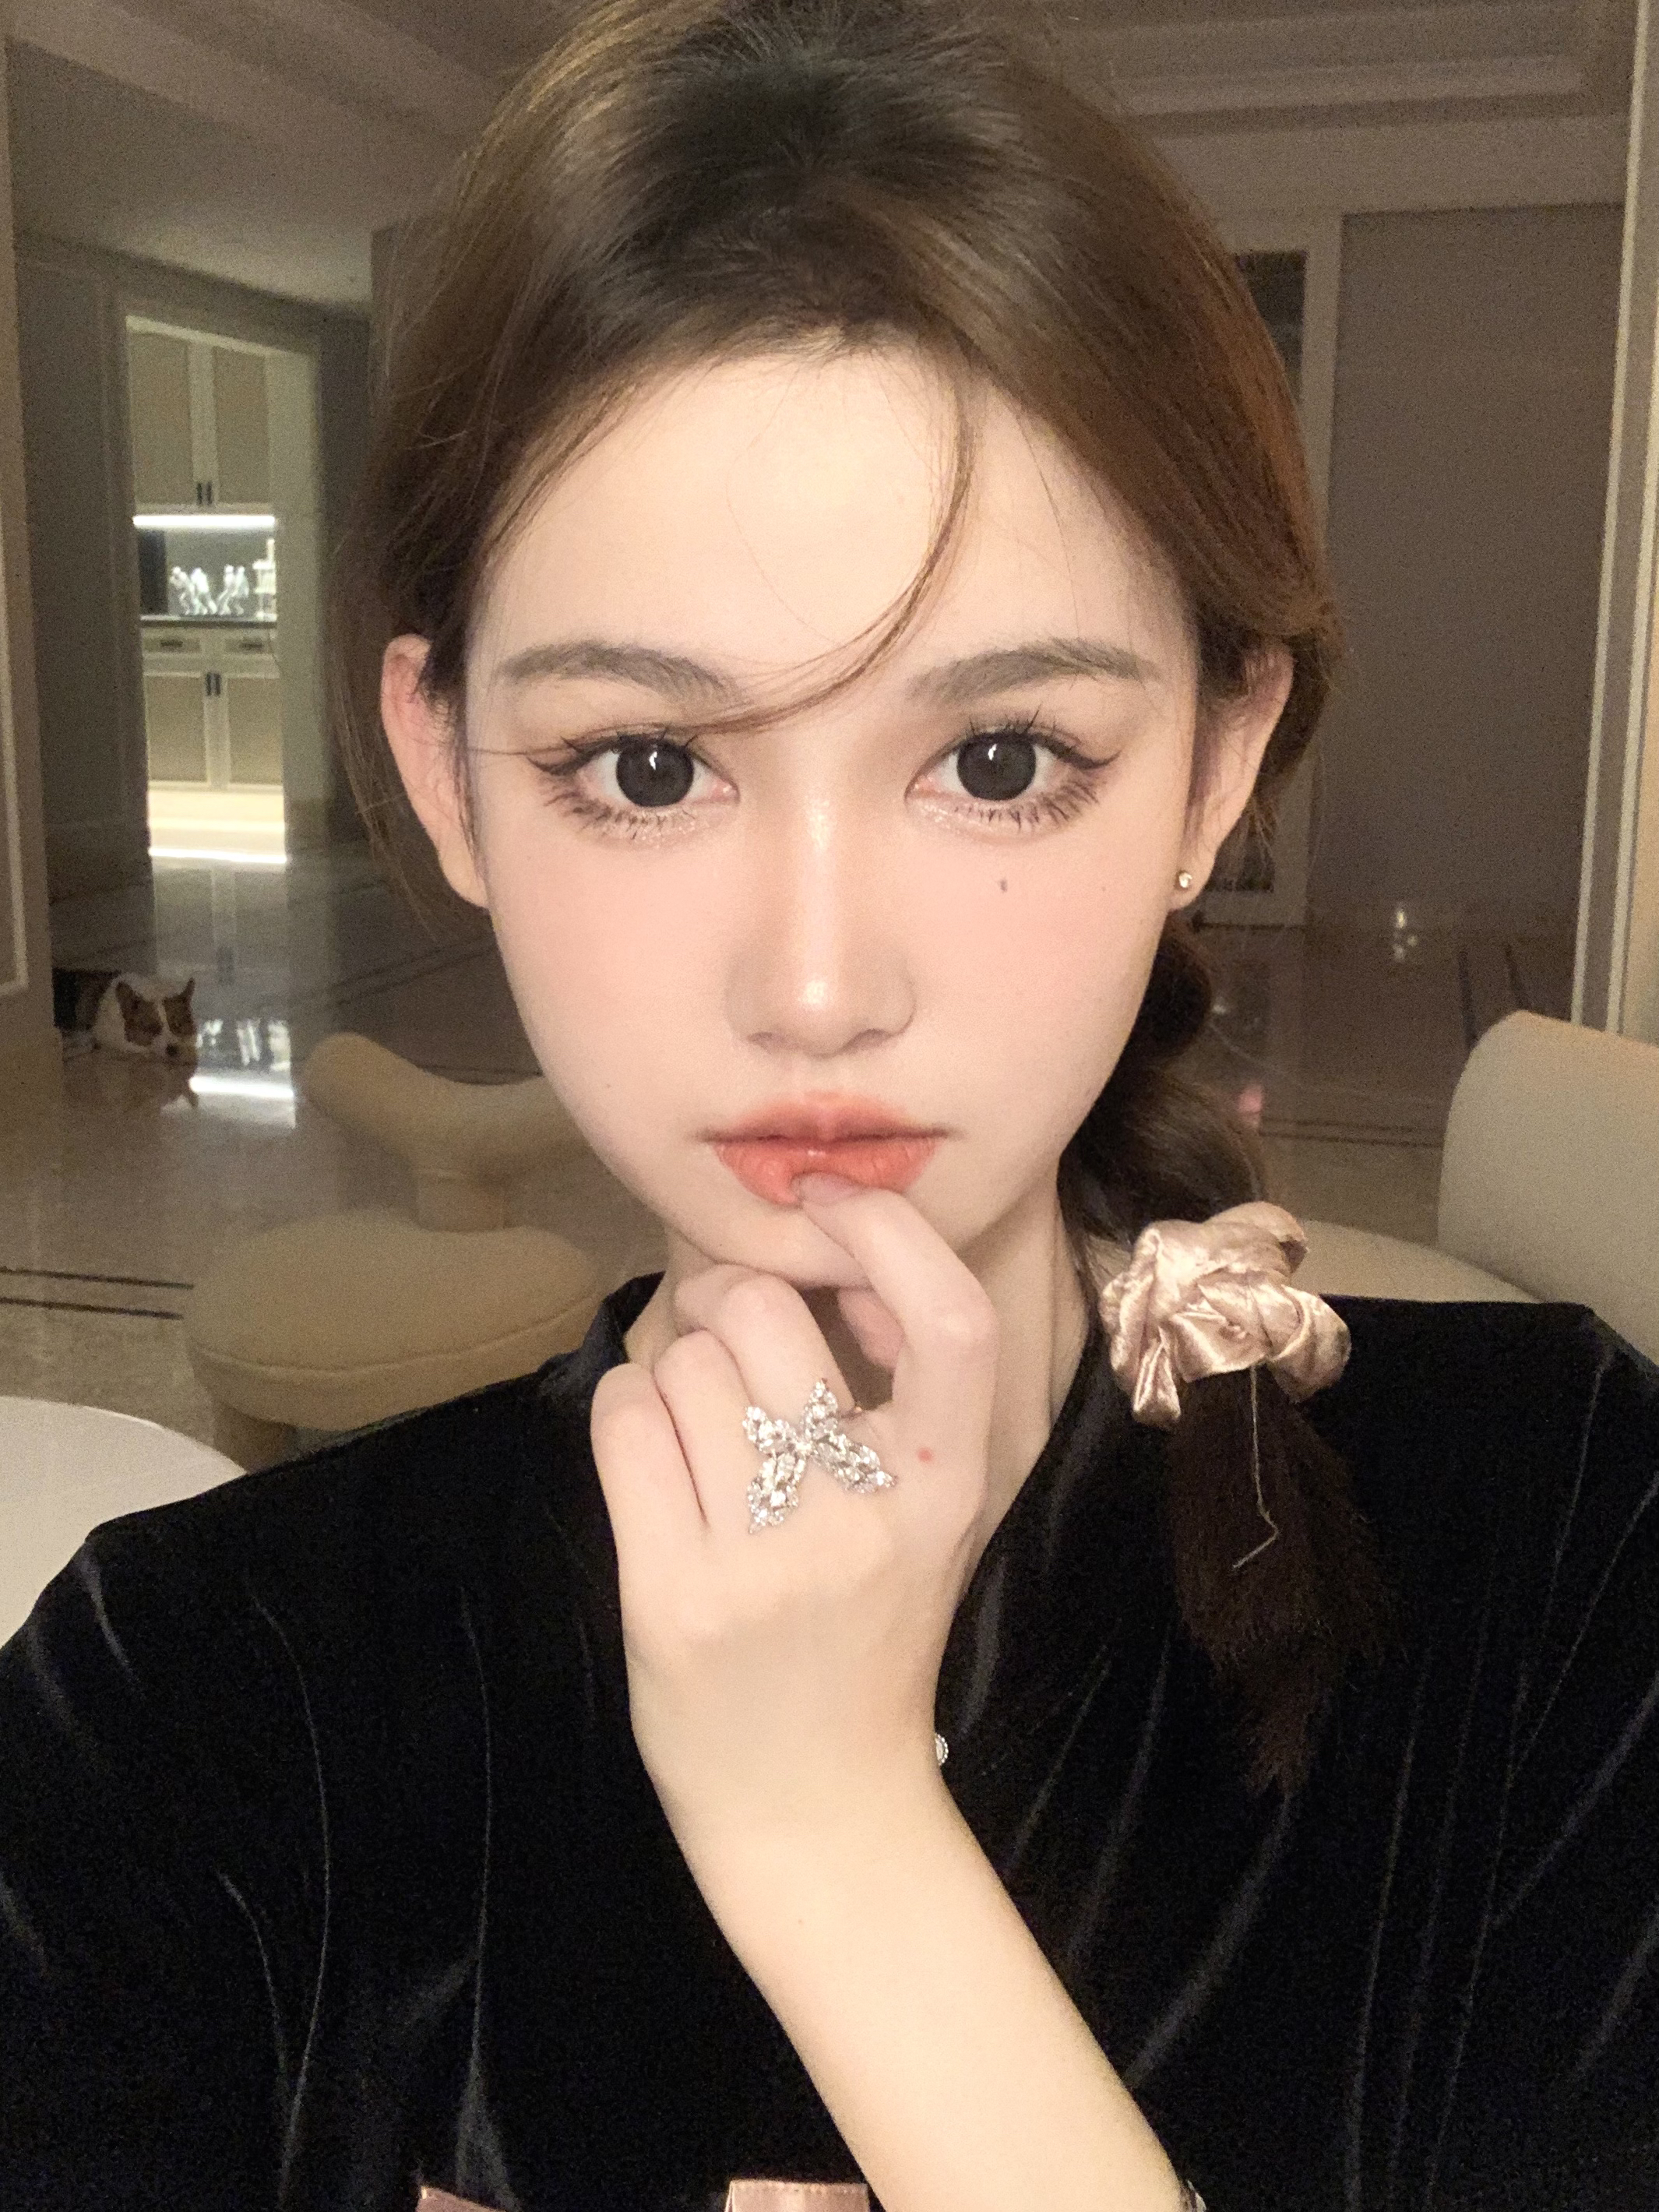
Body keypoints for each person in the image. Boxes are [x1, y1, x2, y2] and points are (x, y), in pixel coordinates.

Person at [3, 2, 1657, 2207]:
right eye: (648, 766)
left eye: (997, 759)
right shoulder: (194, 1696)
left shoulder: (1573, 1542)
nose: (814, 987)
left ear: (1216, 765)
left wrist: (832, 1832)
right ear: (444, 771)